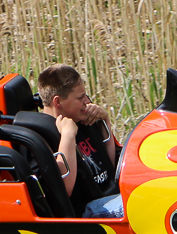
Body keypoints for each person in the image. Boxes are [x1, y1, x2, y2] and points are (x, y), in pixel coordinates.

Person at [37, 64, 124, 218]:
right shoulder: (43, 138)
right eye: (80, 97)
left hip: (108, 196)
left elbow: (108, 167)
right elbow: (65, 188)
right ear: (58, 102)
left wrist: (104, 121)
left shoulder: (81, 119)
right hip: (86, 213)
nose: (87, 101)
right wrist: (68, 136)